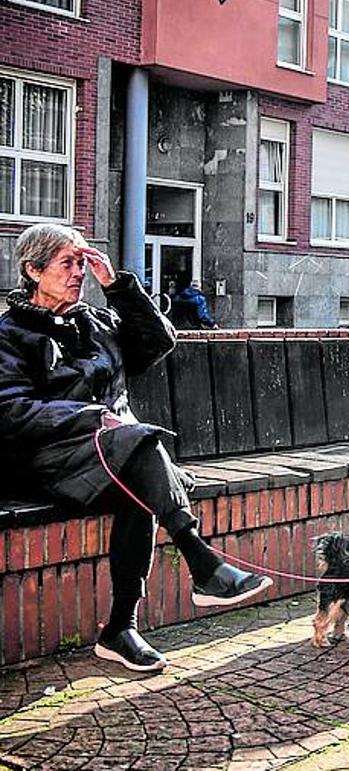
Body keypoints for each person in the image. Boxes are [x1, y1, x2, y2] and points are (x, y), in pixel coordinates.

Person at [0, 225, 272, 672]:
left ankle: (121, 628)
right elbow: (11, 410)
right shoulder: (10, 334)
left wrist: (119, 288)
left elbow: (159, 341)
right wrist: (91, 419)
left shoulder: (96, 321)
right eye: (67, 263)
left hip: (119, 454)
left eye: (82, 264)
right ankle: (201, 565)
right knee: (136, 451)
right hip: (47, 460)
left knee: (137, 482)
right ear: (33, 270)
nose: (78, 274)